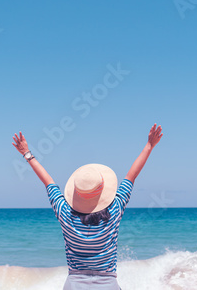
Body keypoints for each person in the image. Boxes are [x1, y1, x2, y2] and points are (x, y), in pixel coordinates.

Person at [12, 124, 163, 289]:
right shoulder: (115, 210)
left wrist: (27, 154)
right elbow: (131, 176)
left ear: (76, 193)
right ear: (103, 191)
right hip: (108, 284)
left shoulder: (64, 212)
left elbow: (48, 182)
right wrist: (149, 145)